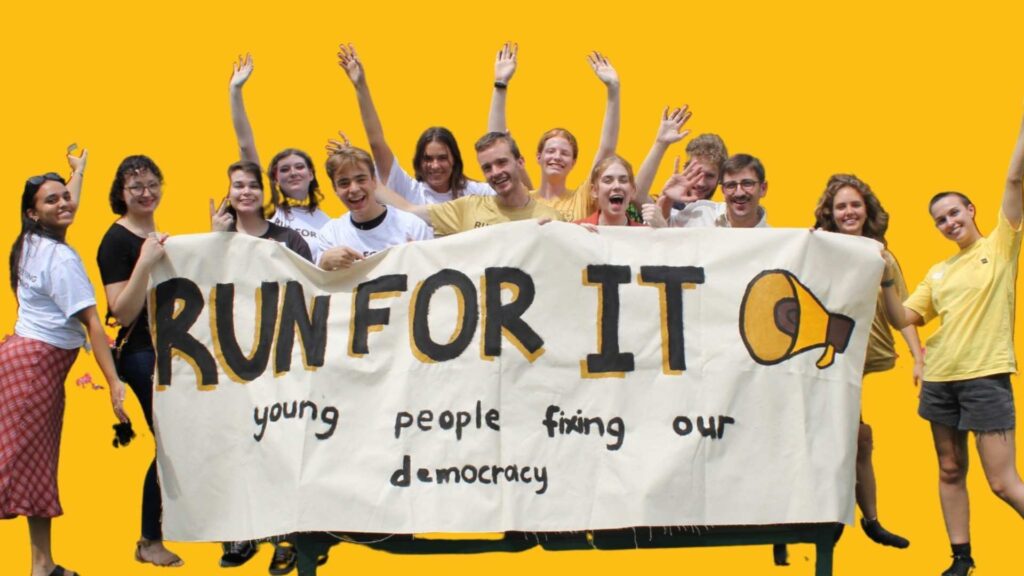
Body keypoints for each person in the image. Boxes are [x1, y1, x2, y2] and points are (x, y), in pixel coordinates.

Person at [882, 107, 1024, 576]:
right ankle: (961, 558)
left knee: (1003, 483)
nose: (948, 223)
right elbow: (905, 316)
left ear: (971, 211)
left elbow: (1015, 182)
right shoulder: (938, 272)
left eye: (954, 213)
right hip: (940, 380)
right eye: (940, 220)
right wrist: (882, 278)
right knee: (949, 470)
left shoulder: (1000, 247)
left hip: (985, 378)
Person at [0, 149, 128, 576]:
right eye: (51, 201)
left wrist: (80, 173)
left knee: (35, 464)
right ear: (33, 213)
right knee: (11, 464)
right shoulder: (60, 259)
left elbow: (64, 204)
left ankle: (42, 565)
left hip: (26, 361)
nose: (64, 204)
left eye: (64, 197)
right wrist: (113, 383)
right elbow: (93, 323)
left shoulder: (30, 242)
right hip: (36, 369)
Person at [209, 160, 311, 575]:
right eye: (238, 185)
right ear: (229, 192)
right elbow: (204, 285)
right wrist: (216, 240)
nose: (246, 191)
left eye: (253, 185)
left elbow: (310, 288)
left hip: (282, 356)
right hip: (232, 358)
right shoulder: (217, 238)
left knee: (281, 446)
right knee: (238, 444)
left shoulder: (288, 238)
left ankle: (286, 538)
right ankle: (241, 530)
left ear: (264, 192)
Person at [813, 173, 922, 549]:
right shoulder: (821, 249)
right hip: (830, 360)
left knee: (857, 439)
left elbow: (902, 309)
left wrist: (916, 354)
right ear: (830, 212)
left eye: (855, 205)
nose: (848, 212)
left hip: (864, 357)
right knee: (849, 436)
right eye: (841, 206)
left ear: (867, 210)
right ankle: (834, 518)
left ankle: (866, 519)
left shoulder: (881, 255)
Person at [96, 155, 183, 567]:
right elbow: (121, 312)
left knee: (182, 441)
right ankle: (150, 539)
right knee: (171, 443)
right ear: (121, 193)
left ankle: (172, 527)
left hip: (173, 352)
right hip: (139, 354)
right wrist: (146, 262)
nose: (146, 193)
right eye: (136, 187)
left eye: (152, 184)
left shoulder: (158, 232)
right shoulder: (115, 241)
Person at [337, 44, 495, 205]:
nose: (435, 165)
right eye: (427, 158)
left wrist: (500, 84)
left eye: (442, 158)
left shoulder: (476, 193)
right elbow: (376, 142)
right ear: (418, 161)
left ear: (454, 160)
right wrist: (360, 85)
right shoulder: (409, 190)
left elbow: (511, 182)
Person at [487, 43, 618, 221]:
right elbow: (495, 147)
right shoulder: (524, 197)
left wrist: (613, 90)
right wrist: (500, 84)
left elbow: (607, 148)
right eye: (550, 151)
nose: (556, 157)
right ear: (538, 157)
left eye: (564, 153)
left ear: (573, 162)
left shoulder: (583, 197)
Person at [229, 54, 330, 260]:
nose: (293, 173)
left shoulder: (329, 223)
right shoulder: (264, 209)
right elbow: (245, 145)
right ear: (274, 179)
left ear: (311, 174)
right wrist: (235, 92)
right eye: (284, 169)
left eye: (299, 167)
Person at [379, 132, 559, 235]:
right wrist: (365, 182)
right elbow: (409, 210)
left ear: (520, 162)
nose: (495, 172)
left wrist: (586, 233)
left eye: (502, 162)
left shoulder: (552, 218)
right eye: (487, 168)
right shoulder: (467, 208)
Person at [317, 145, 433, 271]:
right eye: (344, 183)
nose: (354, 189)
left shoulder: (412, 226)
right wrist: (323, 265)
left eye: (361, 179)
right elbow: (317, 285)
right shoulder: (330, 235)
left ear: (373, 181)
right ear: (335, 189)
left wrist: (418, 260)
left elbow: (436, 273)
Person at [644, 153, 768, 229]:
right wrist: (668, 198)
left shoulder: (776, 242)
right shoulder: (700, 213)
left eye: (747, 184)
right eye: (731, 185)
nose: (739, 193)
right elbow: (665, 229)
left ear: (763, 189)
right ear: (723, 190)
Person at [575, 155, 646, 227]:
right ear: (595, 191)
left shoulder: (645, 234)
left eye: (623, 181)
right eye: (608, 181)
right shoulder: (576, 229)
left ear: (633, 190)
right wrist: (579, 235)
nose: (617, 186)